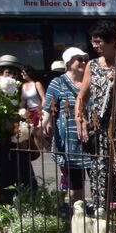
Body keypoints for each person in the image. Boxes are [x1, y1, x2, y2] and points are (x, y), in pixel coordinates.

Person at [77, 20, 116, 208]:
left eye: (99, 42)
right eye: (93, 41)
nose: (95, 46)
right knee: (101, 170)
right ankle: (103, 212)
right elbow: (82, 96)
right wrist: (80, 119)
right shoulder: (92, 65)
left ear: (113, 41)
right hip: (99, 128)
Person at [41, 47, 92, 201]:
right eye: (79, 59)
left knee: (98, 181)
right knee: (76, 184)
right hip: (69, 142)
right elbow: (47, 110)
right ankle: (78, 215)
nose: (84, 62)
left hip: (91, 138)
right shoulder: (58, 83)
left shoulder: (91, 81)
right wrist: (39, 127)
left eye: (85, 59)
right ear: (69, 62)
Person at [0, 55, 37, 198]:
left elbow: (21, 111)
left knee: (23, 171)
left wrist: (22, 131)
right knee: (4, 170)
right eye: (7, 72)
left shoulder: (18, 89)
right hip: (1, 136)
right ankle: (6, 201)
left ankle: (28, 200)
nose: (11, 75)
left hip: (16, 135)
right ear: (0, 73)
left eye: (14, 72)